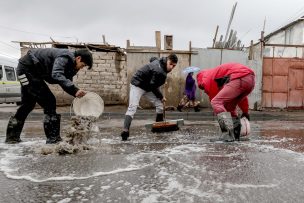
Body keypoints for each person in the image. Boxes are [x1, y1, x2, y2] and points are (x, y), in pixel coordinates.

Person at [5, 48, 93, 144]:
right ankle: (53, 139)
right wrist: (75, 90)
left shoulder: (70, 65)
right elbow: (57, 74)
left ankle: (12, 138)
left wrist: (76, 93)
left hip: (31, 72)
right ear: (78, 58)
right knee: (49, 102)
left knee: (28, 104)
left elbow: (65, 83)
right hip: (27, 70)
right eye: (83, 65)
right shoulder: (65, 57)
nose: (81, 68)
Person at [120, 53, 178, 141]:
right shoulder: (160, 72)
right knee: (132, 107)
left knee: (159, 105)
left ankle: (159, 128)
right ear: (167, 60)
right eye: (171, 64)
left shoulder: (160, 61)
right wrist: (161, 97)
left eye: (174, 66)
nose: (171, 68)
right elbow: (153, 87)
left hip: (147, 86)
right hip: (137, 84)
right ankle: (125, 131)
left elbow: (152, 59)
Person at [196, 63, 255, 141]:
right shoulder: (214, 73)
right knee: (230, 107)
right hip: (250, 80)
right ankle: (235, 134)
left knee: (215, 102)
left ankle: (227, 134)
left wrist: (218, 111)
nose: (204, 90)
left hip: (239, 78)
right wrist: (245, 111)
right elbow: (241, 96)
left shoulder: (206, 78)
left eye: (202, 88)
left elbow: (215, 99)